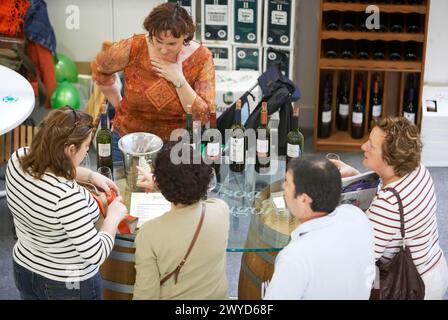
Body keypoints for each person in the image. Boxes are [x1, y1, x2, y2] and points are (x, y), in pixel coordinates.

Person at [5, 107, 128, 300]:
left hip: (25, 267)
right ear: (71, 150)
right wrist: (113, 216)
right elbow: (95, 253)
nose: (88, 150)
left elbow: (48, 161)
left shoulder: (18, 159)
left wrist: (90, 175)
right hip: (68, 282)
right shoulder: (67, 197)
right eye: (87, 146)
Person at [332, 117, 448, 300]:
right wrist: (357, 177)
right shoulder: (418, 169)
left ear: (389, 160)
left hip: (410, 286)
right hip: (435, 269)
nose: (363, 147)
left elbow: (362, 259)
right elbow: (390, 190)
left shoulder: (388, 204)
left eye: (371, 145)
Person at [91, 2, 215, 161]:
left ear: (185, 36)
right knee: (121, 184)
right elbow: (100, 68)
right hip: (128, 139)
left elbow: (203, 115)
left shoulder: (201, 58)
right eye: (158, 41)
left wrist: (179, 80)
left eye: (172, 44)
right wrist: (118, 103)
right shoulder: (134, 47)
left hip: (175, 147)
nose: (163, 50)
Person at [263, 157, 375, 300]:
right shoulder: (357, 216)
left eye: (287, 183)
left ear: (304, 199)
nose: (284, 187)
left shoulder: (294, 257)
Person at [133, 142, 229, 300]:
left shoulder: (148, 235)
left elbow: (146, 295)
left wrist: (162, 185)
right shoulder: (221, 211)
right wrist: (163, 184)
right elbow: (199, 195)